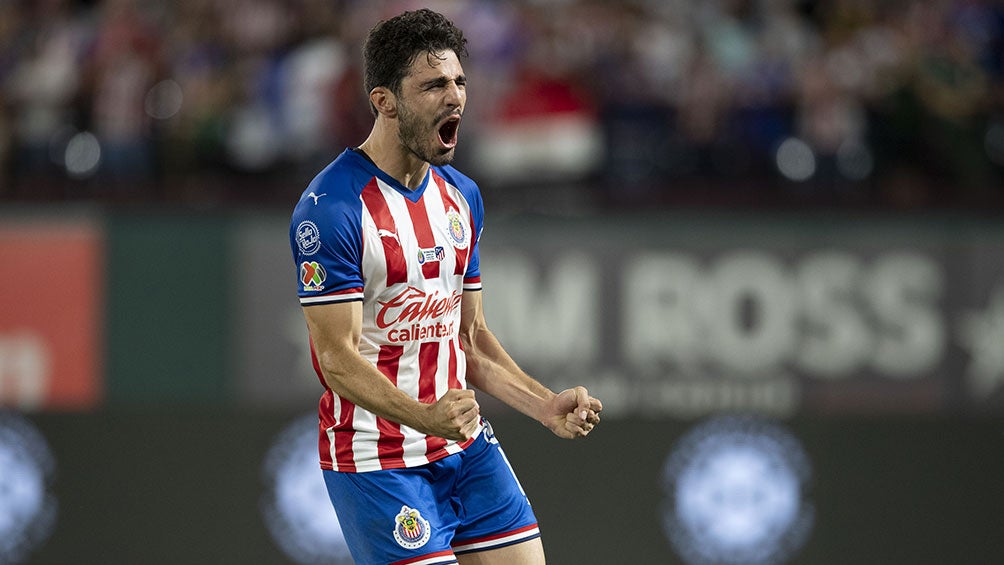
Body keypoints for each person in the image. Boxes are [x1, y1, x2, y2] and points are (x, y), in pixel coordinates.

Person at [288, 8, 602, 565]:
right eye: (433, 85)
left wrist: (544, 405)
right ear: (384, 101)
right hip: (376, 460)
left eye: (459, 81)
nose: (455, 97)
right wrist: (423, 416)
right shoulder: (332, 210)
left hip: (464, 448)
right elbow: (335, 359)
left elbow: (471, 338)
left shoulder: (462, 197)